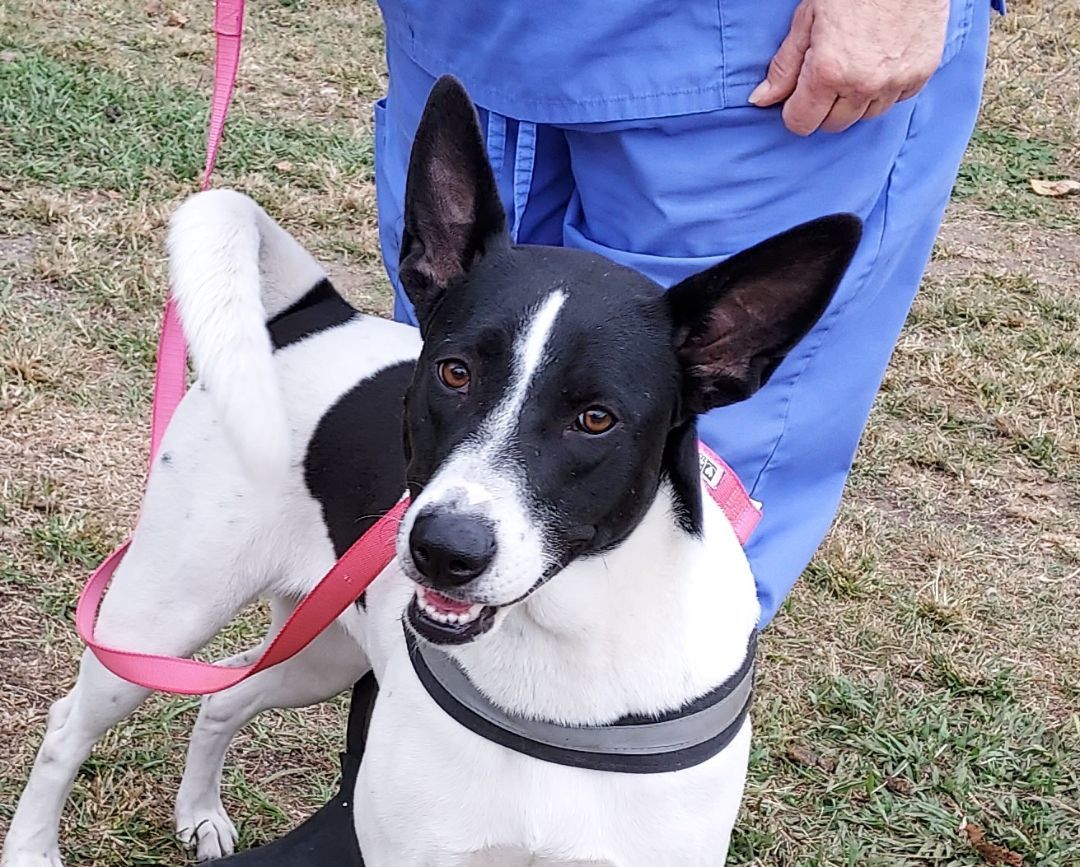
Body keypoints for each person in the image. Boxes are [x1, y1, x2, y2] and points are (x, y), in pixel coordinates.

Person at [222, 0, 999, 862]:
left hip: (749, 68)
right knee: (486, 396)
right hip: (472, 31)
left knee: (656, 506)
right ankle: (413, 809)